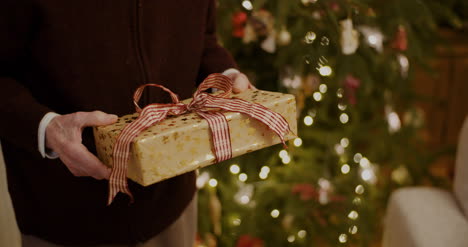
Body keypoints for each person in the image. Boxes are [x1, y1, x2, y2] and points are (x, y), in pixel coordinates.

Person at [0, 0, 253, 246]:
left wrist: (226, 75)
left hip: (172, 205)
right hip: (65, 216)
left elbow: (203, 37)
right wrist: (46, 128)